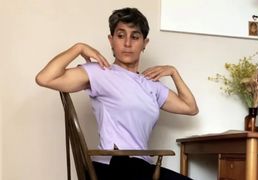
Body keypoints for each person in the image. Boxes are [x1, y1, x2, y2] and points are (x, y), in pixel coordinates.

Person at [36, 7, 198, 180]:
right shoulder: (101, 72)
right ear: (111, 40)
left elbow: (190, 108)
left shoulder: (150, 84)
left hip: (140, 167)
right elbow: (45, 78)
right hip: (113, 166)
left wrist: (173, 72)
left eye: (135, 37)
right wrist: (79, 48)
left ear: (144, 43)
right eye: (120, 36)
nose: (127, 43)